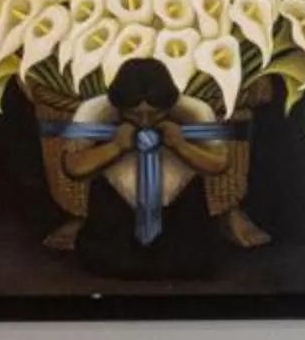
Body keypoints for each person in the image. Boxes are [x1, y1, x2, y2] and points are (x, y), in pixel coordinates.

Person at [51, 58, 235, 282]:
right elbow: (71, 166)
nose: (145, 122)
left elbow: (220, 163)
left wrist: (182, 145)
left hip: (180, 208)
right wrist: (115, 147)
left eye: (155, 114)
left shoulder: (195, 111)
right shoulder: (94, 110)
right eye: (134, 114)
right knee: (105, 260)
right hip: (116, 208)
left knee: (195, 260)